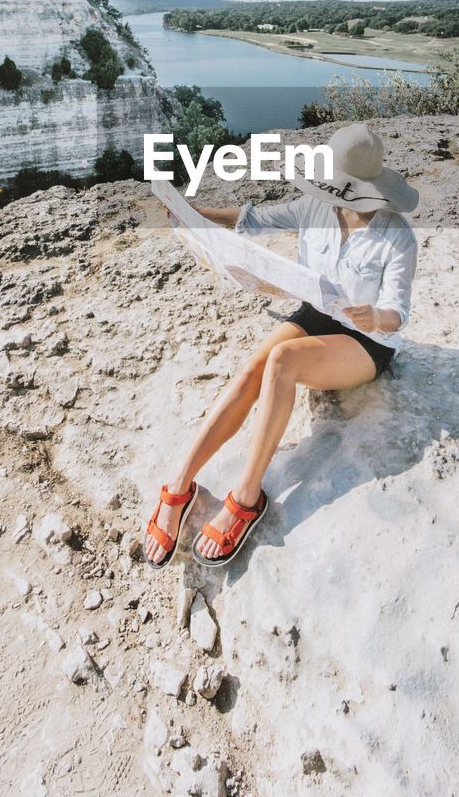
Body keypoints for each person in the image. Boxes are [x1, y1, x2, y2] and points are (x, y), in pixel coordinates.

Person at [143, 123, 419, 570]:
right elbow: (254, 219)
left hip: (367, 338)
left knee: (282, 361)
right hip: (317, 314)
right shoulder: (316, 204)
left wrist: (375, 316)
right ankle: (179, 486)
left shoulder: (397, 236)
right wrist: (195, 215)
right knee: (253, 367)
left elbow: (398, 312)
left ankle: (247, 496)